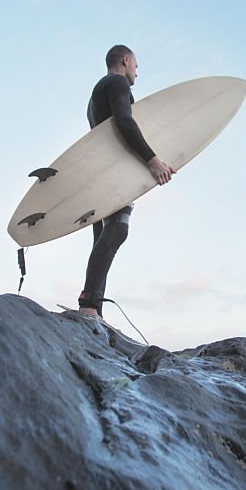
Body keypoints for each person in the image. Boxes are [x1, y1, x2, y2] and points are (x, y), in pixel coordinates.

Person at [77, 45, 176, 318]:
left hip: (99, 170)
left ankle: (92, 308)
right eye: (136, 65)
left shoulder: (95, 95)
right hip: (111, 172)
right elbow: (125, 121)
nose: (137, 72)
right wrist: (152, 160)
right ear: (126, 60)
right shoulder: (117, 82)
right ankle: (88, 306)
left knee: (102, 236)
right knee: (118, 229)